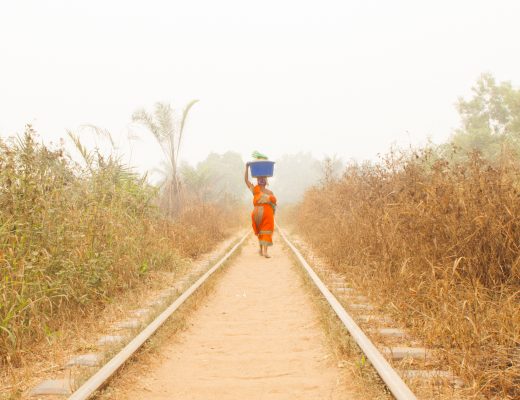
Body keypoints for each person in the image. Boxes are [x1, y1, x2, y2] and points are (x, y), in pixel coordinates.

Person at [244, 162, 277, 258]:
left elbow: (273, 204)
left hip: (259, 214)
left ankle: (263, 250)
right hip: (261, 214)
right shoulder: (258, 190)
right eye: (261, 179)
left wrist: (247, 168)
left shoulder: (258, 190)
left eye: (262, 179)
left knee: (263, 231)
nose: (262, 181)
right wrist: (246, 167)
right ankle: (263, 250)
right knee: (264, 231)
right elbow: (274, 205)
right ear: (266, 182)